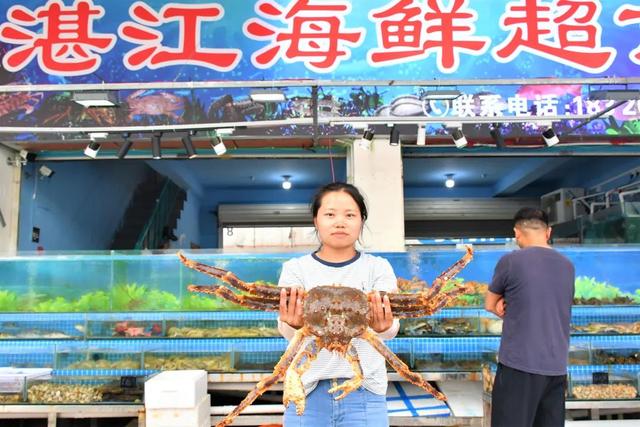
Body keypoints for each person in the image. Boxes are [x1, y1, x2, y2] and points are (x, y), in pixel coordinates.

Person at [278, 182, 398, 427]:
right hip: (306, 389)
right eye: (330, 214)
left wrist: (384, 326)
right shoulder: (295, 269)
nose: (340, 222)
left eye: (350, 215)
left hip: (365, 392)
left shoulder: (378, 268)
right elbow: (288, 332)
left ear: (361, 221)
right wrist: (292, 324)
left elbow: (391, 329)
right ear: (316, 220)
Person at [485, 207, 575, 427]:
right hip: (556, 367)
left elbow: (489, 304)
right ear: (548, 232)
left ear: (517, 233)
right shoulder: (568, 266)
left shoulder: (511, 261)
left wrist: (502, 304)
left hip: (519, 365)